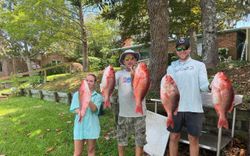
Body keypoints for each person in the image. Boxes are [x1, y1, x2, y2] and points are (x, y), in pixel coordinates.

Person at [166, 38, 210, 156]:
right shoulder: (171, 67)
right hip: (175, 108)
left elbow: (204, 86)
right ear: (176, 51)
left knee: (193, 139)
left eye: (185, 48)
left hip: (194, 108)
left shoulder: (199, 65)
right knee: (174, 136)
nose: (182, 51)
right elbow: (168, 87)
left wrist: (213, 86)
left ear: (189, 49)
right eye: (179, 48)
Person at [115, 49, 147, 156]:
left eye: (132, 58)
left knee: (140, 139)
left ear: (136, 60)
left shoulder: (142, 72)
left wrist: (134, 77)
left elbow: (145, 88)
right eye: (126, 59)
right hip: (123, 113)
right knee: (121, 137)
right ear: (123, 62)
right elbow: (109, 85)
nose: (130, 61)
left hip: (139, 113)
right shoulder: (119, 74)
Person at [70, 74, 103, 156]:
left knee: (91, 150)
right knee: (77, 152)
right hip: (79, 126)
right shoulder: (77, 94)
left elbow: (95, 110)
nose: (88, 82)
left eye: (91, 81)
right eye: (87, 80)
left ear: (95, 83)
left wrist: (88, 98)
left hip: (92, 126)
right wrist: (80, 112)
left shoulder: (98, 96)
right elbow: (74, 108)